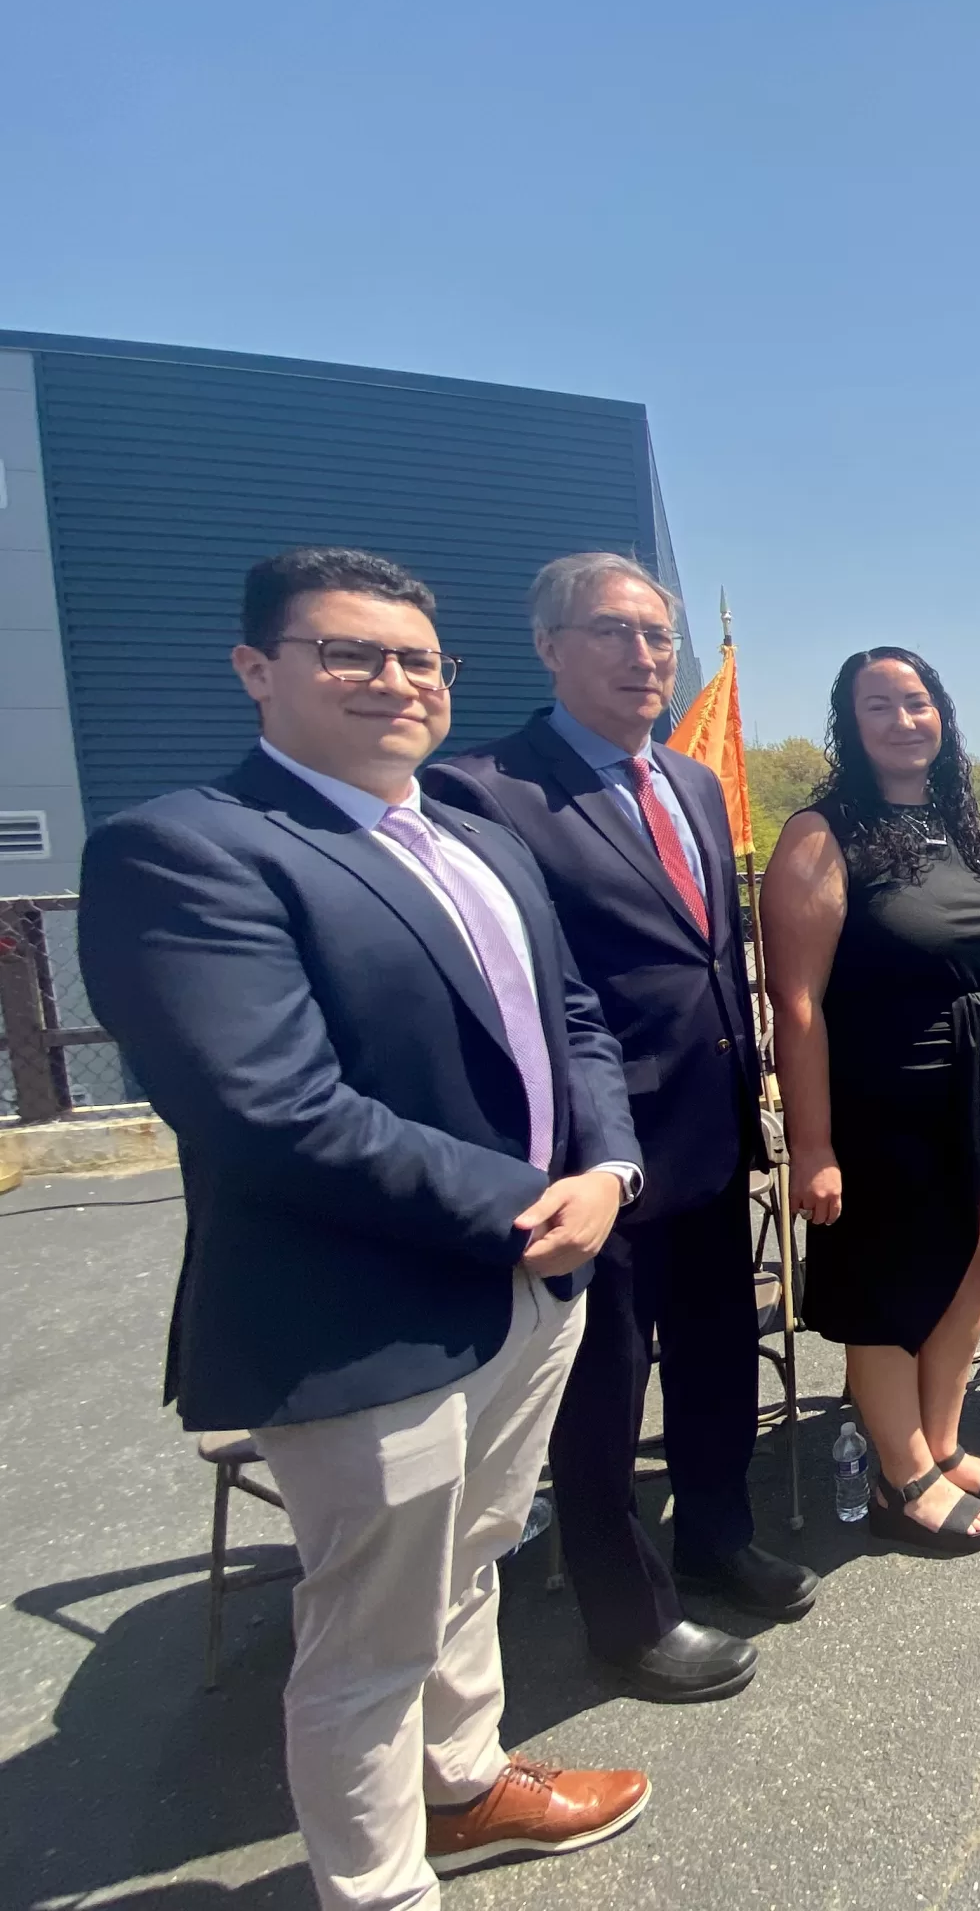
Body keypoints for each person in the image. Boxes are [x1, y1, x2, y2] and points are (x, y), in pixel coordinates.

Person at [78, 548, 649, 1907]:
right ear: (257, 670)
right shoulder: (187, 848)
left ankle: (463, 1788)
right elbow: (272, 1110)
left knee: (472, 1566)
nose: (394, 682)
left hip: (534, 1283)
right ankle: (378, 1886)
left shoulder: (479, 841)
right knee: (366, 1634)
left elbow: (571, 1026)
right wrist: (527, 1201)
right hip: (360, 1316)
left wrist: (612, 1166)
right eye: (351, 655)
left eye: (417, 661)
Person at [427, 552, 814, 1703]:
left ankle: (715, 1537)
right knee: (600, 1389)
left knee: (717, 1352)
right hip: (588, 1156)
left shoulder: (693, 784)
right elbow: (519, 993)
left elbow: (710, 955)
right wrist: (588, 1152)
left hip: (709, 1127)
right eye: (613, 633)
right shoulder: (485, 790)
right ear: (548, 647)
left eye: (657, 637)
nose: (644, 657)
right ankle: (627, 1616)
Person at [761, 647, 980, 1550]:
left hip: (971, 1082)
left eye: (916, 702)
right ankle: (901, 1470)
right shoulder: (823, 831)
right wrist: (814, 1144)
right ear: (851, 724)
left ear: (940, 715)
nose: (904, 720)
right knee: (887, 1280)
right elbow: (794, 1002)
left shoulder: (957, 821)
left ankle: (942, 1442)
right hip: (880, 1090)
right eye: (880, 706)